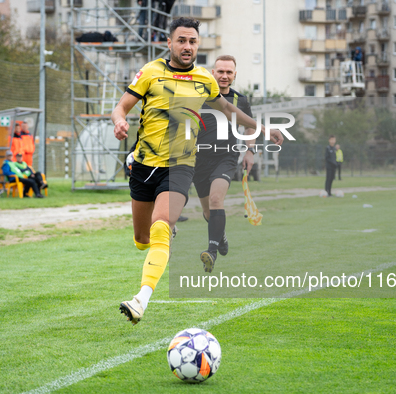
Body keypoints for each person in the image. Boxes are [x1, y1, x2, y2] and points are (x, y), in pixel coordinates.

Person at [112, 17, 284, 325]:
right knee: (141, 239)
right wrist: (119, 121)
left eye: (192, 41)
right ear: (170, 42)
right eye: (181, 40)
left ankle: (141, 299)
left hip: (179, 166)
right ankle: (164, 230)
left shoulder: (205, 79)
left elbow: (230, 111)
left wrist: (263, 128)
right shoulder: (151, 72)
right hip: (143, 166)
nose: (187, 46)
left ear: (197, 45)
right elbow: (121, 106)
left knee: (162, 225)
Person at [193, 55, 257, 272]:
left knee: (216, 198)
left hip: (226, 157)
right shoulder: (198, 96)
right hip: (199, 160)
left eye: (229, 72)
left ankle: (210, 251)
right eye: (220, 71)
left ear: (234, 75)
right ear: (213, 73)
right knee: (208, 212)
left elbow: (250, 127)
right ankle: (220, 236)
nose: (224, 75)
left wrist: (250, 150)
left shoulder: (241, 100)